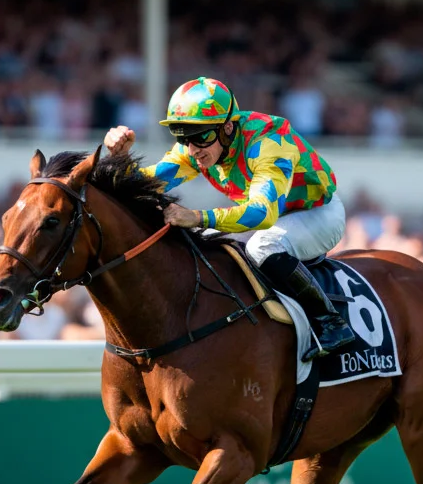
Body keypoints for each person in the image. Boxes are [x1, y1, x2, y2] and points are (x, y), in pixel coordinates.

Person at [103, 76, 356, 362]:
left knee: (264, 247)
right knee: (204, 245)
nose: (192, 149)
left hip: (316, 213)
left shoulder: (268, 142)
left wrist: (197, 216)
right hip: (270, 217)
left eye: (200, 137)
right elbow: (145, 185)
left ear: (227, 128)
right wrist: (119, 160)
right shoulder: (199, 148)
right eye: (183, 137)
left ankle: (331, 322)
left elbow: (262, 214)